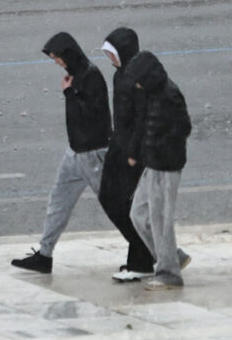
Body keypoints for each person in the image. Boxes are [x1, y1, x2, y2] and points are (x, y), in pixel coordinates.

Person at [12, 33, 112, 274]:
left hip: (93, 154)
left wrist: (69, 93)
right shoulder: (78, 76)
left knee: (118, 206)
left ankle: (158, 252)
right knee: (58, 201)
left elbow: (92, 115)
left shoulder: (91, 76)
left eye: (57, 57)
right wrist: (71, 89)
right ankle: (44, 255)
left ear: (68, 54)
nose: (56, 62)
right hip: (76, 152)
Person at [127, 51, 192, 291]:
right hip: (152, 163)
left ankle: (169, 273)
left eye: (138, 79)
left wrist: (162, 147)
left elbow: (183, 127)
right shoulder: (152, 92)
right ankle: (172, 257)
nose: (136, 84)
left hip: (166, 165)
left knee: (160, 220)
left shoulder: (169, 94)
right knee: (139, 215)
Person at [98, 27, 157, 283]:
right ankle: (146, 250)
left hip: (133, 152)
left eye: (112, 53)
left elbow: (142, 118)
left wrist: (135, 152)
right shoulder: (119, 76)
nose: (110, 59)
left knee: (128, 205)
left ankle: (142, 259)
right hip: (118, 147)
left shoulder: (137, 78)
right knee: (110, 199)